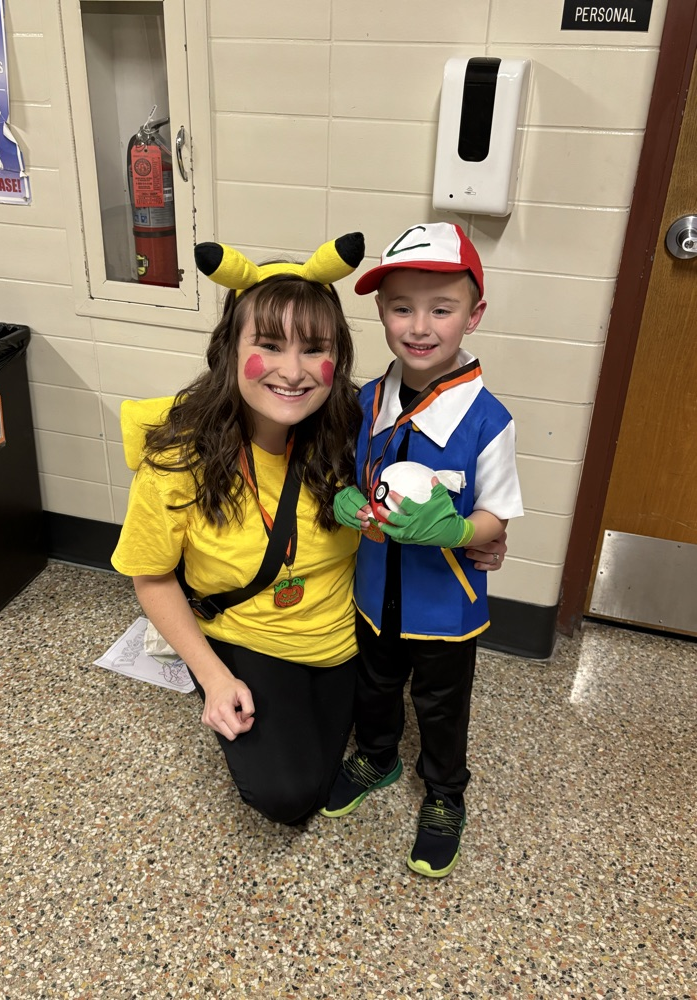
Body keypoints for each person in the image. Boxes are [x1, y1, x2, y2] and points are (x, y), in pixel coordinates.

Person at [112, 231, 509, 828]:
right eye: (268, 345)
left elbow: (440, 487)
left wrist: (480, 533)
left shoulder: (357, 423)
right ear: (228, 348)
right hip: (253, 635)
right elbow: (153, 577)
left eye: (314, 349)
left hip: (351, 634)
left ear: (337, 357)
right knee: (289, 795)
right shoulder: (178, 459)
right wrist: (215, 680)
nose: (292, 373)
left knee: (368, 736)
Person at [320, 223, 523, 878]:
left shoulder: (488, 420)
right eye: (402, 307)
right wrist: (345, 502)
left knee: (440, 702)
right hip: (375, 590)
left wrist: (460, 532)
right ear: (380, 311)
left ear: (474, 315)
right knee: (374, 683)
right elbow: (351, 481)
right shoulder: (366, 401)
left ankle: (443, 795)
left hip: (446, 606)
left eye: (442, 308)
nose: (420, 325)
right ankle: (377, 757)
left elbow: (497, 517)